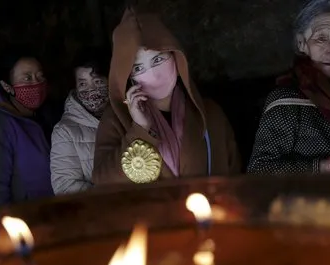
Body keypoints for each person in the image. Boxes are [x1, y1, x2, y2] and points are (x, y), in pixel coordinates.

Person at [92, 9, 240, 185]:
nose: (153, 75)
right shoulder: (114, 120)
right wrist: (140, 130)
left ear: (176, 57)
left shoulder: (211, 114)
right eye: (138, 68)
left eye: (158, 60)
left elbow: (234, 175)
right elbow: (103, 182)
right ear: (128, 78)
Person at [247, 0, 330, 175]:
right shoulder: (287, 100)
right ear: (301, 44)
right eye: (321, 38)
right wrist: (326, 167)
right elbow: (258, 170)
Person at [0, 49, 54, 207]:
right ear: (7, 86)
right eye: (27, 78)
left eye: (40, 76)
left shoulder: (44, 116)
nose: (36, 83)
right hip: (26, 223)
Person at [50, 47, 110, 194]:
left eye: (97, 81)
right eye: (83, 84)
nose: (92, 90)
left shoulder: (131, 114)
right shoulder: (65, 131)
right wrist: (114, 200)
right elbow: (65, 186)